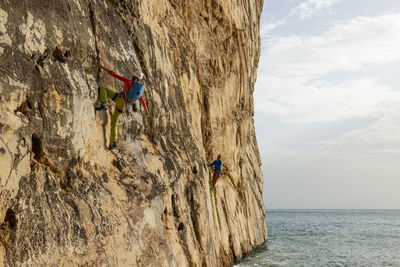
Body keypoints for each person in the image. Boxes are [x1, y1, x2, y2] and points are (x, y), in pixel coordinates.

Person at [95, 65, 148, 150]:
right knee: (114, 122)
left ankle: (104, 104)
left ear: (133, 75)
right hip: (124, 107)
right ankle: (113, 142)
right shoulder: (138, 90)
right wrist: (146, 109)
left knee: (103, 88)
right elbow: (142, 100)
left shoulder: (128, 81)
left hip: (120, 100)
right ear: (139, 79)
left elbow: (115, 75)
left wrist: (102, 67)